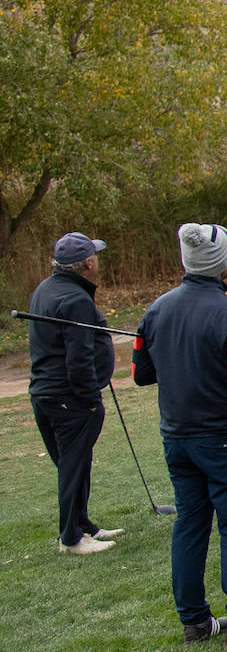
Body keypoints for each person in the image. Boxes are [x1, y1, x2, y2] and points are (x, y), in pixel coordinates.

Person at [131, 223, 227, 647]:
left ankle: (195, 622)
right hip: (225, 440)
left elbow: (140, 374)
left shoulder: (156, 310)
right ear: (224, 263)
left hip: (177, 440)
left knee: (190, 524)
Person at [27, 232, 123, 555]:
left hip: (45, 394)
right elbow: (78, 357)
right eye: (95, 256)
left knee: (77, 461)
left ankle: (83, 525)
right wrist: (89, 398)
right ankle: (70, 538)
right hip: (68, 397)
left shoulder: (45, 289)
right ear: (88, 263)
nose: (97, 260)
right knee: (72, 464)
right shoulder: (76, 299)